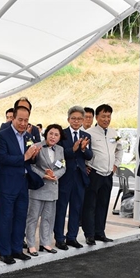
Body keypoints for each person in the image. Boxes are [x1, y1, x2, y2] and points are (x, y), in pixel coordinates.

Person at [0, 105, 41, 264]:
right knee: (6, 218)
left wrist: (34, 156)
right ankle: (4, 251)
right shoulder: (2, 136)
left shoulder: (28, 136)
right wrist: (25, 157)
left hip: (22, 182)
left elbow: (30, 160)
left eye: (26, 120)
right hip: (7, 183)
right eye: (20, 119)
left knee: (21, 217)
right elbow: (4, 159)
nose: (23, 123)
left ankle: (17, 249)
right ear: (12, 118)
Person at [82, 104, 122, 245]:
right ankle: (89, 234)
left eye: (108, 116)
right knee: (90, 205)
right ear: (97, 117)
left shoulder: (113, 133)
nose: (106, 119)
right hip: (94, 173)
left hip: (108, 174)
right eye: (103, 116)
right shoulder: (90, 133)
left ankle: (100, 232)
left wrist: (115, 165)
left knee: (103, 205)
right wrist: (85, 166)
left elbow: (119, 149)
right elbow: (84, 151)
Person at [53, 106, 92, 250]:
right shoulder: (61, 134)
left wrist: (83, 149)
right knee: (61, 208)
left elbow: (89, 155)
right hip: (65, 176)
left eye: (79, 119)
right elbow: (58, 154)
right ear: (68, 119)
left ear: (83, 120)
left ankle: (72, 237)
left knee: (76, 208)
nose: (76, 121)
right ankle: (59, 238)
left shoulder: (86, 135)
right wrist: (73, 149)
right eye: (73, 118)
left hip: (80, 176)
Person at [26, 124, 66, 256]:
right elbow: (31, 166)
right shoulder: (37, 146)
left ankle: (45, 243)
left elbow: (63, 167)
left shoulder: (60, 149)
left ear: (59, 137)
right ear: (46, 134)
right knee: (33, 218)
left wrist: (55, 176)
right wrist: (43, 175)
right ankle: (31, 244)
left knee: (48, 218)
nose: (53, 137)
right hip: (38, 187)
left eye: (56, 135)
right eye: (51, 133)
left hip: (53, 187)